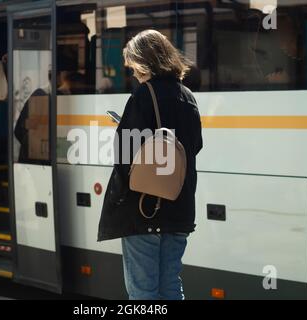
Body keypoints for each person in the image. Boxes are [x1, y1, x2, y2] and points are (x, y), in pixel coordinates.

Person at [97, 30, 203, 300]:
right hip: (179, 209)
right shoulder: (188, 97)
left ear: (146, 62)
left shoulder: (143, 96)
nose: (133, 74)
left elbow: (125, 157)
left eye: (134, 66)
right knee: (170, 285)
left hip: (144, 211)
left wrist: (117, 201)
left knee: (143, 293)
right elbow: (195, 147)